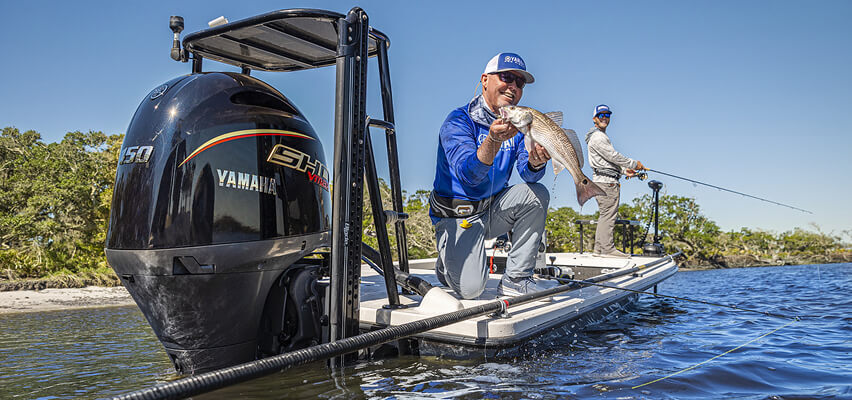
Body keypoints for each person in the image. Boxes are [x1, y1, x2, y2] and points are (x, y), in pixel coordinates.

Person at [429, 52, 553, 299]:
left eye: (520, 82)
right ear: (485, 80)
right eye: (506, 77)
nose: (513, 87)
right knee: (472, 290)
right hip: (459, 214)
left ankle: (517, 279)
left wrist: (536, 162)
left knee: (536, 194)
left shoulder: (518, 123)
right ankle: (447, 261)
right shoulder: (458, 120)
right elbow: (468, 176)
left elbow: (528, 175)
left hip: (491, 210)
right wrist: (493, 140)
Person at [585, 104, 646, 257]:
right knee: (608, 215)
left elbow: (607, 161)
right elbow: (613, 156)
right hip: (607, 183)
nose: (604, 118)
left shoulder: (597, 136)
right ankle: (607, 249)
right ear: (594, 119)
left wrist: (625, 171)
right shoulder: (598, 137)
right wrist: (634, 164)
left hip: (603, 180)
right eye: (601, 115)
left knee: (605, 215)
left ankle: (599, 249)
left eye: (607, 115)